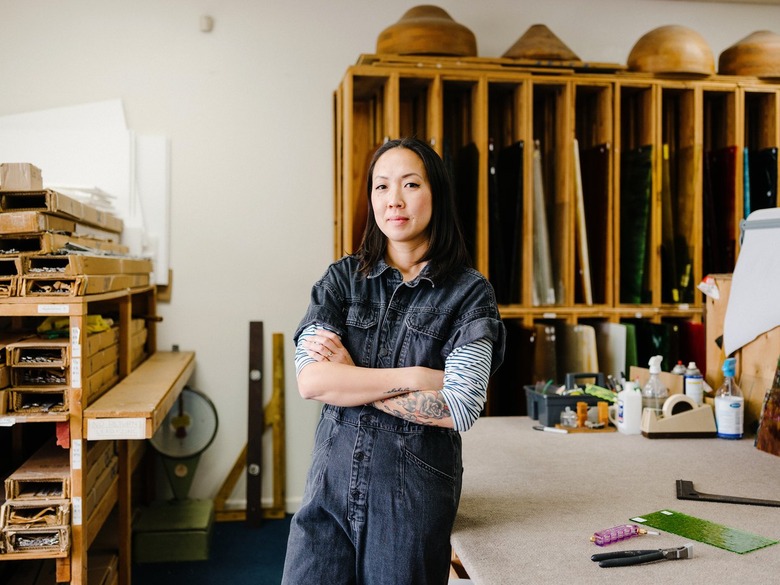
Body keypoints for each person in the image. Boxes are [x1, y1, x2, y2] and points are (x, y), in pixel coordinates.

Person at [281, 137, 505, 585]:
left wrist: (349, 378)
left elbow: (459, 406)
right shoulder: (341, 280)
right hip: (328, 488)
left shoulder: (469, 294)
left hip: (411, 500)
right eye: (381, 186)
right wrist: (419, 376)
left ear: (436, 194)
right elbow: (312, 382)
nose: (394, 200)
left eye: (410, 184)